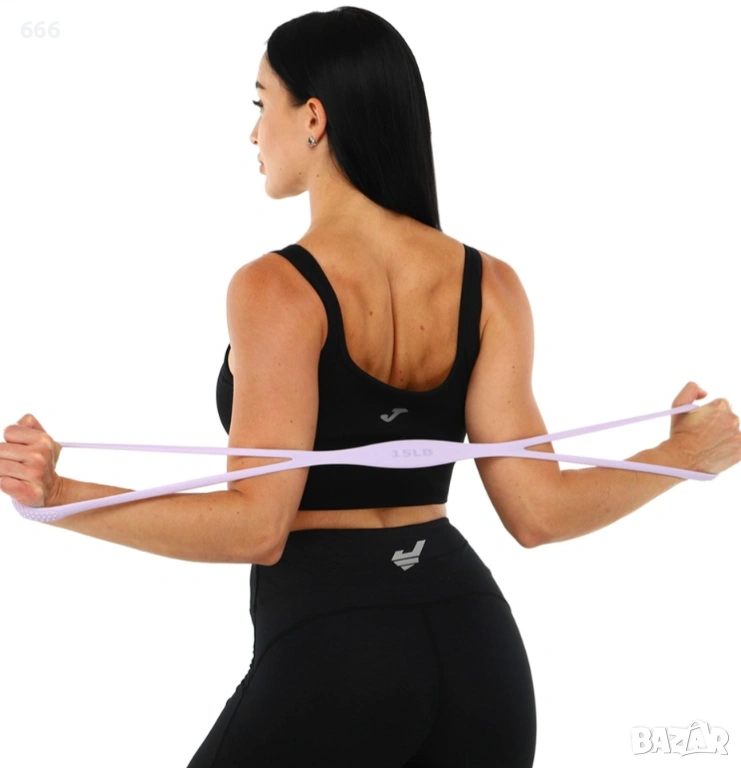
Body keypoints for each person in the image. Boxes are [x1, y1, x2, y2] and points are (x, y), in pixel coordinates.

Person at [1, 7, 739, 767]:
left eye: (261, 103)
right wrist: (682, 455)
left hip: (338, 654)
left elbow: (256, 527)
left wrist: (58, 495)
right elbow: (539, 512)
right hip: (478, 655)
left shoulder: (276, 288)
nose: (253, 133)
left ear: (312, 118)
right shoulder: (489, 285)